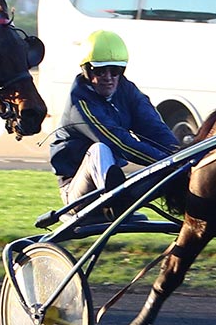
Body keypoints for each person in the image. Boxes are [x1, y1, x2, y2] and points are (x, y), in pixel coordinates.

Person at [47, 30, 178, 206]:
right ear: (87, 71)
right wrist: (168, 162)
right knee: (100, 149)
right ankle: (113, 205)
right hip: (76, 194)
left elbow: (154, 128)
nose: (108, 78)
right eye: (100, 71)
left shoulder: (128, 90)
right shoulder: (79, 104)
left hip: (110, 183)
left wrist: (179, 155)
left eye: (115, 70)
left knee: (174, 166)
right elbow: (119, 142)